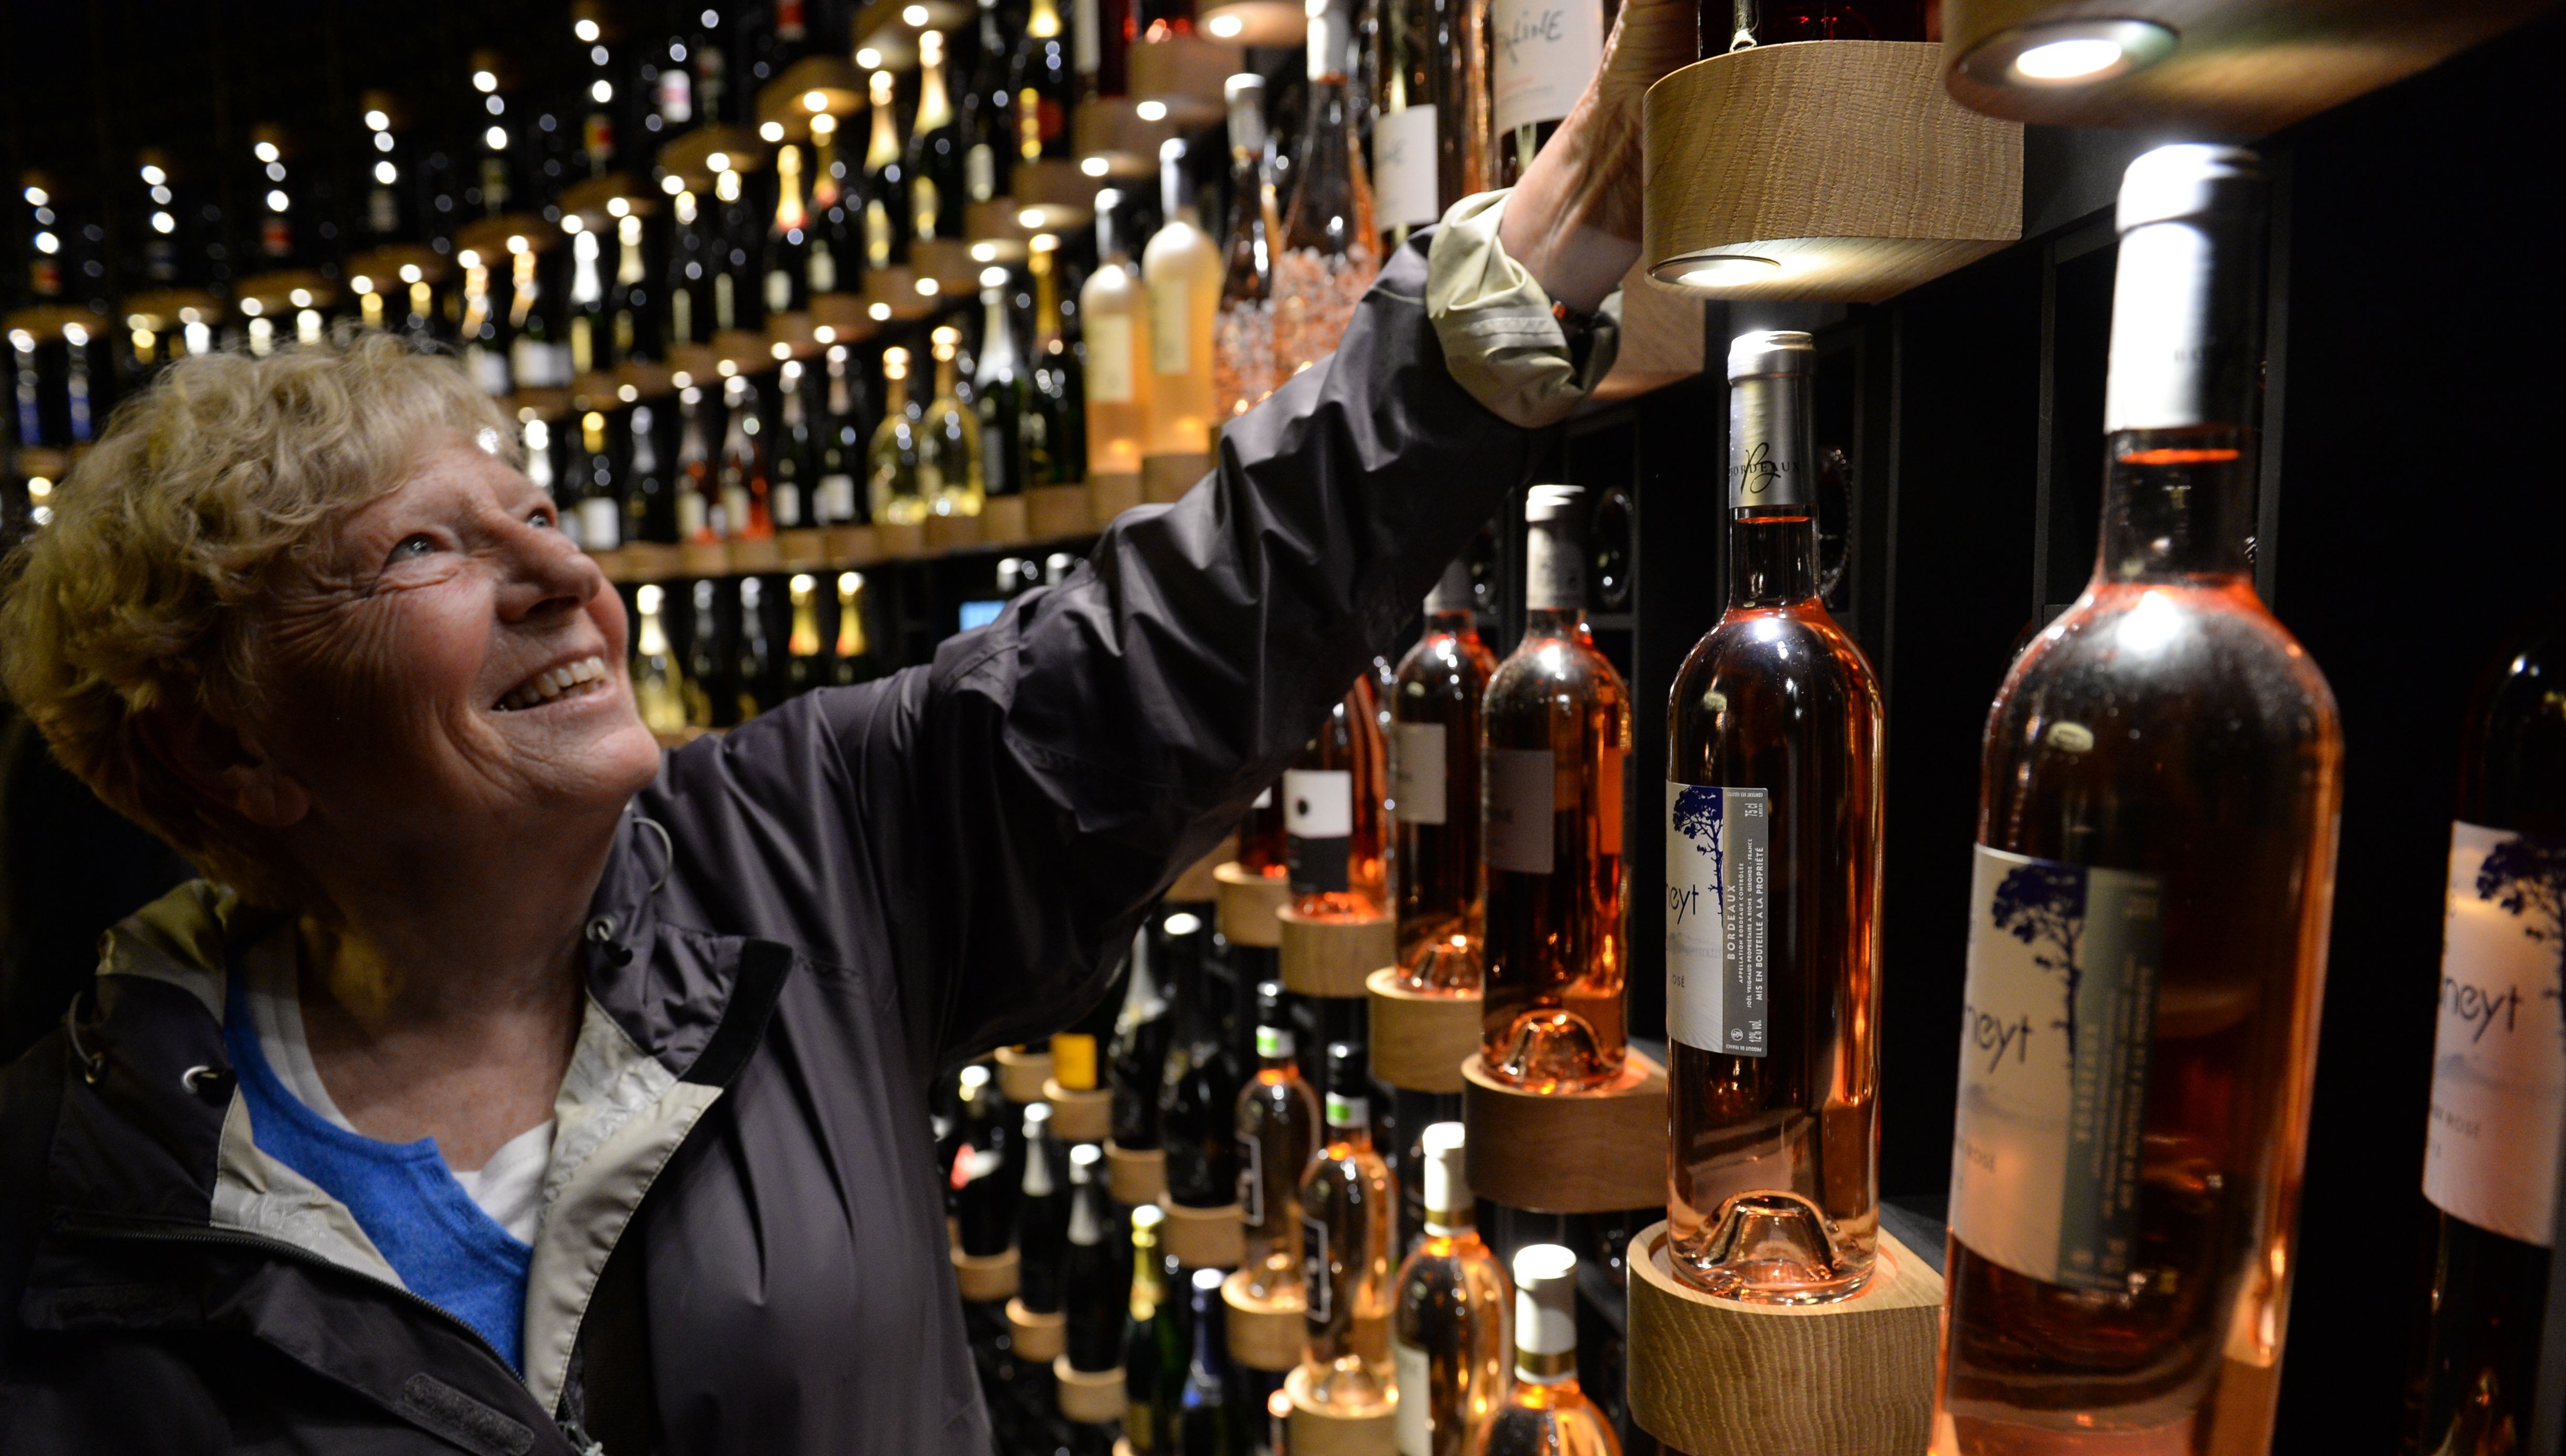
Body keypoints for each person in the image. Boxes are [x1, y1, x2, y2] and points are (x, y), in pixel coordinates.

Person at [0, 0, 1689, 1448]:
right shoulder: (85, 1187)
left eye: (535, 510)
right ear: (233, 748)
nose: (558, 573)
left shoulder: (805, 850)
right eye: (424, 548)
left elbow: (1188, 623)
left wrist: (1560, 230)